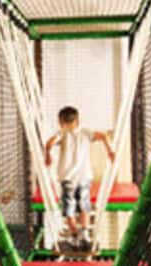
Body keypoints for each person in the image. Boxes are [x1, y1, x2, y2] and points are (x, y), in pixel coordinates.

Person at [44, 106, 114, 251]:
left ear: (60, 122)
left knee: (68, 208)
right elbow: (103, 136)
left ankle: (75, 234)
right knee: (84, 206)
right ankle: (84, 235)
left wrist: (47, 155)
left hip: (67, 178)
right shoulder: (85, 132)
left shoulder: (61, 133)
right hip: (84, 177)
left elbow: (49, 143)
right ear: (78, 120)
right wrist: (109, 150)